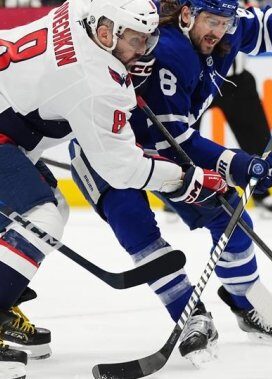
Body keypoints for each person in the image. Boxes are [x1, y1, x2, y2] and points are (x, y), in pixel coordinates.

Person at [68, 0, 272, 366]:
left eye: (224, 22)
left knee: (231, 216)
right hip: (104, 149)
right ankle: (190, 315)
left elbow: (260, 24)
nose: (219, 31)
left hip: (160, 148)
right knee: (138, 230)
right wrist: (236, 162)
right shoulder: (169, 50)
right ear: (186, 15)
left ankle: (244, 304)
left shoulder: (224, 30)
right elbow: (172, 140)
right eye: (211, 21)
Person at [0, 0, 230, 376]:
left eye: (146, 39)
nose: (142, 51)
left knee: (50, 207)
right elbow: (122, 169)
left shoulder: (82, 11)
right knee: (37, 216)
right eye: (135, 41)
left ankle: (3, 299)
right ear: (105, 33)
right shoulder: (95, 83)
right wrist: (188, 180)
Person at [190, 53, 272, 218]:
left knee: (258, 141)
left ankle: (260, 192)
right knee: (183, 137)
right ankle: (180, 193)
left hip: (237, 80)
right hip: (198, 81)